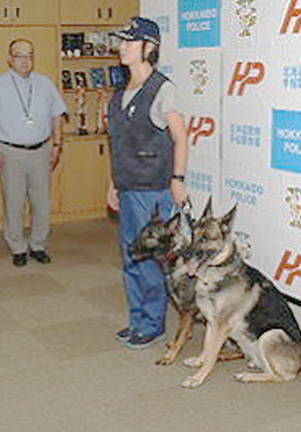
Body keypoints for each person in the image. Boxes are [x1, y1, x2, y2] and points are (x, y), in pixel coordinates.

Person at [107, 17, 189, 349]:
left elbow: (180, 140)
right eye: (121, 41)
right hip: (127, 188)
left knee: (150, 259)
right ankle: (137, 319)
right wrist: (111, 184)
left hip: (153, 190)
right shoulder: (120, 92)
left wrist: (178, 180)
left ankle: (153, 324)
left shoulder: (162, 89)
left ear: (149, 48)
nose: (121, 47)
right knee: (130, 257)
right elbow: (117, 144)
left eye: (130, 41)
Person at [0, 38, 67, 267]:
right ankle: (17, 247)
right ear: (10, 59)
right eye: (19, 55)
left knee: (41, 202)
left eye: (29, 55)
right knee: (14, 202)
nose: (25, 60)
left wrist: (57, 145)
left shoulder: (45, 84)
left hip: (42, 151)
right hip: (11, 153)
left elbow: (57, 115)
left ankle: (38, 244)